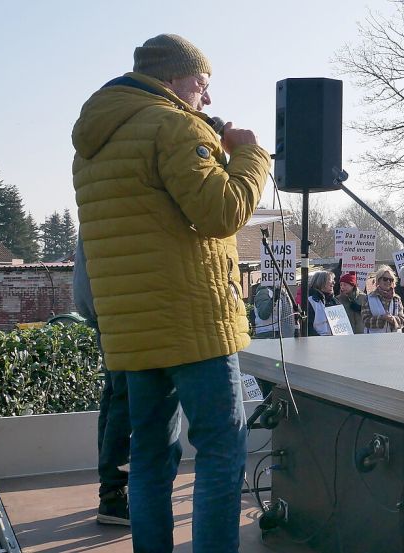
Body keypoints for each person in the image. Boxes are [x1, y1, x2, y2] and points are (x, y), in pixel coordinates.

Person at [72, 34, 270, 550]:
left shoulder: (98, 140)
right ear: (174, 80)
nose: (205, 99)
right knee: (222, 451)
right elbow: (221, 211)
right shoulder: (175, 124)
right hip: (193, 324)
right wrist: (250, 156)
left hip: (132, 329)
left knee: (150, 456)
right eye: (202, 86)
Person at [74, 238, 131, 526]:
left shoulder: (95, 201)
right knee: (124, 402)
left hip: (105, 312)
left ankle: (112, 491)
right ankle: (114, 493)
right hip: (123, 313)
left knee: (115, 399)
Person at [361, 265, 404, 333]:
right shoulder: (368, 298)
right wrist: (382, 318)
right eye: (385, 279)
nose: (388, 281)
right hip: (373, 340)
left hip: (393, 340)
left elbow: (403, 321)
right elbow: (365, 321)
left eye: (391, 280)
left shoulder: (396, 299)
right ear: (378, 280)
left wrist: (392, 319)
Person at [307, 270, 338, 336]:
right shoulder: (310, 302)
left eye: (333, 279)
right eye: (330, 279)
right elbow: (308, 327)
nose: (333, 282)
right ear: (321, 282)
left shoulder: (335, 302)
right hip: (317, 342)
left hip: (335, 342)